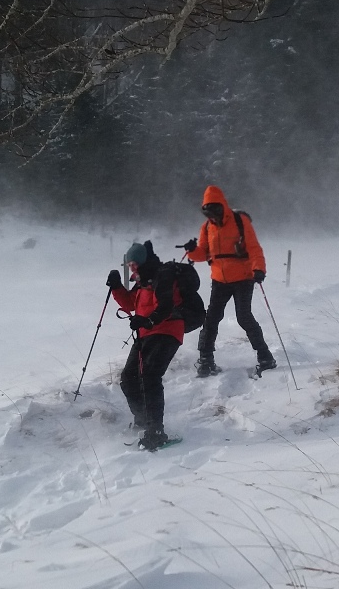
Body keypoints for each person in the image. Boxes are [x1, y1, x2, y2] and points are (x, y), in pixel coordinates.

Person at [183, 185, 275, 377]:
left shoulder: (239, 221)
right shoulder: (207, 227)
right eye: (207, 212)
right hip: (219, 281)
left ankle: (265, 357)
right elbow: (202, 253)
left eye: (213, 210)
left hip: (243, 279)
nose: (211, 216)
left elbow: (254, 248)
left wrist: (259, 269)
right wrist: (192, 250)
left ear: (221, 206)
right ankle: (206, 360)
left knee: (244, 317)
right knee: (211, 320)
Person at [107, 240, 184, 451]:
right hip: (146, 333)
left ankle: (156, 431)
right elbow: (132, 304)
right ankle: (143, 419)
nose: (131, 268)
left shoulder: (162, 275)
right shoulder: (143, 281)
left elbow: (166, 305)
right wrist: (116, 287)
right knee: (128, 378)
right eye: (128, 265)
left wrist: (148, 321)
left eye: (133, 264)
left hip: (167, 330)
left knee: (150, 375)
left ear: (141, 261)